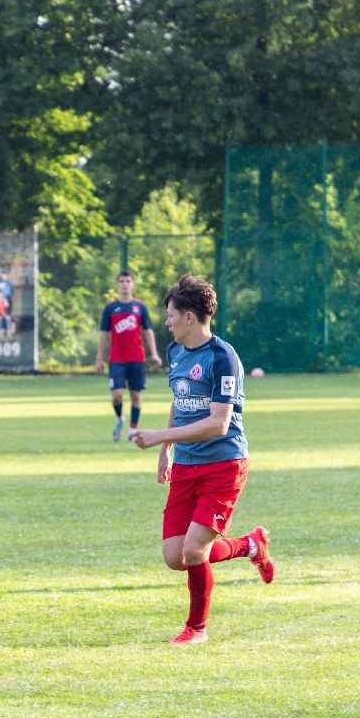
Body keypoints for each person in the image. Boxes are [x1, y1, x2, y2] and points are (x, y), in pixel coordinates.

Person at [133, 275, 273, 644]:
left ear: (190, 317)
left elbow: (218, 423)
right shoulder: (176, 352)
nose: (167, 321)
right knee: (174, 556)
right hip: (185, 466)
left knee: (195, 551)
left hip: (223, 465)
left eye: (171, 314)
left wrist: (160, 437)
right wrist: (166, 451)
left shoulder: (222, 358)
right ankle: (249, 545)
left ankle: (196, 629)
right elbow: (179, 402)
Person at [96, 270, 162, 441]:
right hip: (116, 359)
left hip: (136, 358)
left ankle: (133, 429)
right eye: (122, 281)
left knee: (135, 396)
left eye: (128, 281)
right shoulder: (110, 308)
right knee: (116, 395)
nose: (125, 284)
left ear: (133, 284)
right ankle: (120, 419)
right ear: (117, 284)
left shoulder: (140, 307)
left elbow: (148, 331)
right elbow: (104, 334)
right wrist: (98, 359)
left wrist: (154, 353)